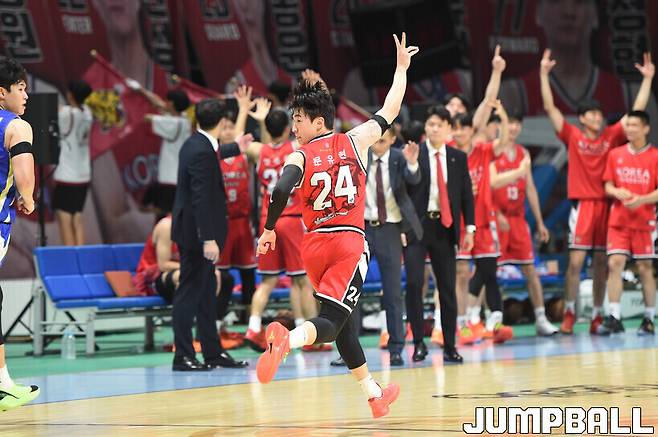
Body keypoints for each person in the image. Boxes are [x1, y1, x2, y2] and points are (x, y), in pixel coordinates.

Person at [255, 33, 418, 418]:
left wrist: (269, 228)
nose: (295, 128)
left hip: (313, 247)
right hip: (348, 243)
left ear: (317, 122)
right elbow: (391, 108)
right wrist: (401, 69)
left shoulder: (298, 156)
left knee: (341, 325)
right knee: (331, 321)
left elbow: (280, 190)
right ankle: (288, 339)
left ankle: (374, 394)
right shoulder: (356, 139)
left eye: (298, 121)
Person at [540, 49, 655, 335]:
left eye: (600, 114)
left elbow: (635, 113)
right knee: (575, 262)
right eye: (593, 113)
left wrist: (647, 79)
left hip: (609, 205)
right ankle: (569, 312)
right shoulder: (573, 136)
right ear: (582, 118)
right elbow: (551, 109)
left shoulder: (611, 136)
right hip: (583, 206)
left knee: (603, 263)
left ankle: (598, 314)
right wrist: (543, 74)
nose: (598, 117)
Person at [170, 99, 250, 371]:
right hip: (196, 236)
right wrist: (208, 238)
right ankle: (182, 355)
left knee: (205, 294)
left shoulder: (196, 143)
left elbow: (213, 153)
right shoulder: (201, 151)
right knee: (188, 295)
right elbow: (201, 198)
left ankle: (213, 353)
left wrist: (236, 147)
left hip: (193, 232)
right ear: (221, 122)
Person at [245, 107, 321, 352]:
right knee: (302, 281)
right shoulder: (296, 149)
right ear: (289, 129)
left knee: (267, 281)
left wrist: (256, 118)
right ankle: (311, 336)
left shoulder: (258, 151)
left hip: (268, 222)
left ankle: (253, 327)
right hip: (292, 219)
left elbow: (245, 141)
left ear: (267, 129)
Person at [490, 110, 558, 336]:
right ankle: (488, 319)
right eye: (510, 123)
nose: (514, 127)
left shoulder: (523, 153)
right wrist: (494, 213)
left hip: (518, 220)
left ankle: (541, 318)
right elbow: (486, 187)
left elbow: (530, 189)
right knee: (488, 271)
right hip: (496, 218)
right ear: (500, 125)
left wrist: (539, 222)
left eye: (517, 123)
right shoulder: (491, 151)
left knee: (530, 268)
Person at [0, 58, 40, 411]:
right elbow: (24, 175)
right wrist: (27, 198)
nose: (26, 95)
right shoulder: (16, 126)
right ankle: (2, 385)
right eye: (21, 88)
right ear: (2, 93)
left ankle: (4, 383)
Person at [362, 127, 420, 365]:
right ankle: (348, 350)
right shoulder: (361, 154)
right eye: (375, 138)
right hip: (363, 228)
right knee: (351, 289)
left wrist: (413, 163)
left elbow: (414, 179)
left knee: (393, 291)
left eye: (383, 140)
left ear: (393, 140)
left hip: (390, 229)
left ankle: (396, 347)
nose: (378, 143)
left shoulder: (399, 157)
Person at [601, 110, 657, 335]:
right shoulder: (615, 154)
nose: (630, 129)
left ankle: (649, 318)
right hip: (619, 220)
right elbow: (607, 185)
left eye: (634, 125)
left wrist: (641, 200)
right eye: (628, 125)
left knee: (645, 268)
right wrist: (617, 192)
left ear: (646, 129)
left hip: (644, 221)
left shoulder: (655, 156)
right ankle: (614, 316)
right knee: (614, 263)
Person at [52, 80, 93, 246]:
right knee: (77, 217)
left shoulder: (67, 114)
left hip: (67, 177)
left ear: (70, 95)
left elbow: (55, 109)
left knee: (65, 218)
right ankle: (80, 256)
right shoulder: (88, 113)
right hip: (83, 176)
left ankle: (69, 256)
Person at [144, 90, 192, 218]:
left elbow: (146, 117)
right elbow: (158, 103)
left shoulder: (173, 123)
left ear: (172, 103)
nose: (165, 103)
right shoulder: (185, 119)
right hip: (178, 178)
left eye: (167, 101)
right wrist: (141, 91)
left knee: (166, 217)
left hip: (170, 179)